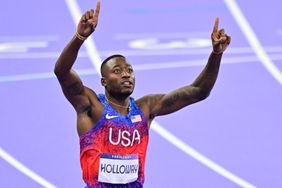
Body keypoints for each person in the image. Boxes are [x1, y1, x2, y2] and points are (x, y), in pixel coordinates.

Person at [54, 0, 230, 187]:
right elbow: (62, 72)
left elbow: (198, 91)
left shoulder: (145, 108)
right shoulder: (91, 106)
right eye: (118, 71)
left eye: (129, 70)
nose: (126, 75)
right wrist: (79, 37)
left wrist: (216, 54)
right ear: (103, 82)